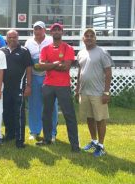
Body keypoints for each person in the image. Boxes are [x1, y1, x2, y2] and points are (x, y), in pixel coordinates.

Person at [36, 23, 80, 152]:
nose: (56, 32)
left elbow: (66, 67)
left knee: (69, 115)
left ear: (62, 33)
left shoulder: (68, 48)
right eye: (54, 30)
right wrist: (56, 64)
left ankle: (75, 145)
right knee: (46, 114)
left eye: (58, 30)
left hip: (63, 86)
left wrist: (49, 64)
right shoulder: (45, 49)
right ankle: (47, 139)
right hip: (48, 85)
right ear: (50, 33)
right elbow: (40, 66)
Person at [76, 28, 112, 157]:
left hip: (98, 92)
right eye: (87, 35)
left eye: (92, 36)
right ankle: (94, 141)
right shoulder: (81, 53)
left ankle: (101, 146)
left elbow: (108, 73)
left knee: (100, 119)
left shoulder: (102, 52)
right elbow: (80, 72)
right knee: (89, 117)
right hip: (84, 92)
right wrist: (77, 88)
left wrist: (106, 92)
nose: (89, 37)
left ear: (95, 38)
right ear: (83, 39)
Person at [24, 21, 58, 142]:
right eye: (35, 29)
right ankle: (34, 131)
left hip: (49, 76)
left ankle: (52, 132)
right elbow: (27, 61)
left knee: (51, 105)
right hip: (34, 76)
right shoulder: (29, 42)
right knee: (34, 104)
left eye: (40, 29)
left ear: (44, 30)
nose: (37, 31)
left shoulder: (50, 40)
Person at [0, 30, 32, 148]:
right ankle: (9, 135)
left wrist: (28, 85)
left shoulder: (24, 51)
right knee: (6, 112)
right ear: (6, 38)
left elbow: (29, 68)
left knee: (18, 114)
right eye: (10, 37)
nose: (12, 39)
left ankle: (19, 139)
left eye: (14, 37)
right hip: (5, 88)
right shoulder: (2, 51)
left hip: (19, 87)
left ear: (18, 38)